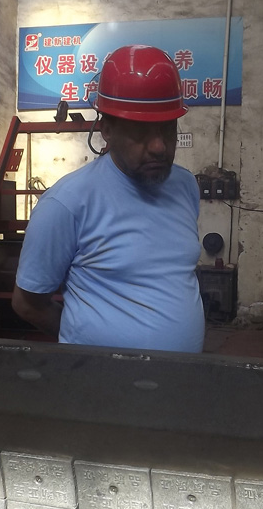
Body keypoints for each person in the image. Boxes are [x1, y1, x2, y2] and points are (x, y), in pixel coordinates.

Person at [12, 44, 205, 353]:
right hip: (98, 378)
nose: (159, 147)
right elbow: (27, 303)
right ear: (107, 129)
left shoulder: (185, 186)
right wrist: (88, 346)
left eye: (167, 129)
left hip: (182, 377)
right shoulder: (66, 203)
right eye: (141, 131)